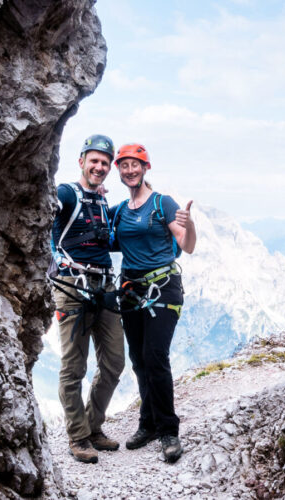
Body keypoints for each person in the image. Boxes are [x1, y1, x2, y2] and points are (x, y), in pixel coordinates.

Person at [110, 143, 197, 463]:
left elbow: (185, 246)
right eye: (124, 166)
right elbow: (99, 234)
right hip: (131, 290)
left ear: (146, 168)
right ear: (119, 170)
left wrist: (189, 224)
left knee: (155, 355)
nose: (130, 170)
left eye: (135, 165)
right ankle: (146, 424)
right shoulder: (119, 210)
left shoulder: (162, 203)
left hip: (163, 289)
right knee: (139, 359)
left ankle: (168, 431)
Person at [49, 134, 125, 464]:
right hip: (71, 286)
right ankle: (78, 436)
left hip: (104, 285)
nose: (99, 166)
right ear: (81, 161)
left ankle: (93, 427)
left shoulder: (101, 202)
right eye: (93, 160)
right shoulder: (66, 193)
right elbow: (44, 211)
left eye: (105, 162)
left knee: (114, 361)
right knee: (74, 366)